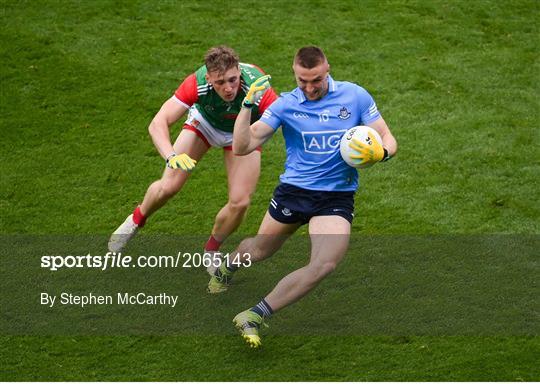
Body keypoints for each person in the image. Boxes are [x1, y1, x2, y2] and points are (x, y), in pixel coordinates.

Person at [207, 46, 398, 348]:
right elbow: (243, 146)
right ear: (295, 74)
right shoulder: (285, 105)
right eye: (302, 81)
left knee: (324, 264)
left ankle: (254, 315)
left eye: (316, 80)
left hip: (335, 197)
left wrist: (382, 153)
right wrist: (247, 106)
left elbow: (387, 137)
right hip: (293, 193)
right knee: (259, 251)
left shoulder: (355, 96)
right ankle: (228, 266)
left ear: (327, 70)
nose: (309, 88)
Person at [108, 46, 277, 274]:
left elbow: (284, 119)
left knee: (240, 202)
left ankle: (211, 250)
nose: (228, 88)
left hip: (242, 131)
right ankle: (136, 220)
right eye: (219, 82)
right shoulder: (197, 83)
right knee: (169, 186)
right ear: (209, 78)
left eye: (232, 80)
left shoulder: (257, 86)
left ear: (239, 71)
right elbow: (158, 123)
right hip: (205, 124)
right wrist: (171, 156)